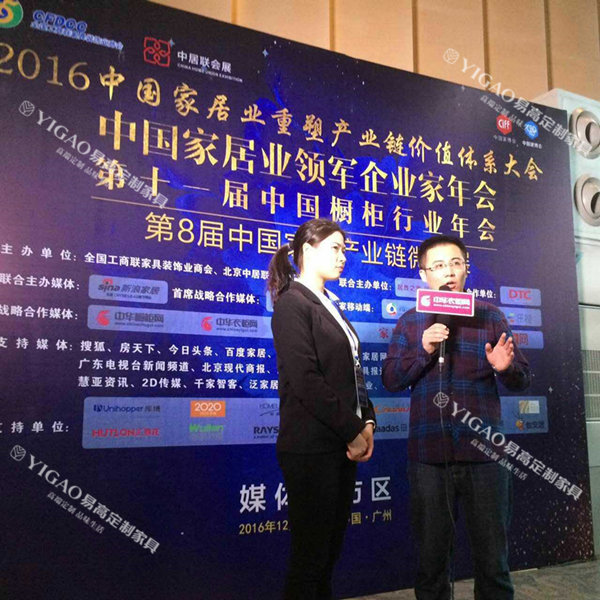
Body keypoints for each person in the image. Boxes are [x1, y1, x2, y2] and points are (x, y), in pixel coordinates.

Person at [382, 235, 530, 600]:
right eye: (438, 266)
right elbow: (390, 379)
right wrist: (423, 349)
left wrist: (505, 368)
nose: (448, 272)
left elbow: (522, 378)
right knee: (432, 564)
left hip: (486, 456)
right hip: (429, 458)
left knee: (493, 563)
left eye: (455, 263)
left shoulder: (491, 316)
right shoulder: (410, 322)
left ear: (466, 269)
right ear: (423, 274)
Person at [268, 218, 377, 600]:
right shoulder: (292, 304)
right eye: (335, 248)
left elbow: (353, 371)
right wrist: (352, 430)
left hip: (341, 445)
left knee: (328, 554)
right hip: (311, 448)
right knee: (310, 558)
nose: (343, 256)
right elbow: (306, 381)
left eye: (344, 249)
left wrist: (367, 422)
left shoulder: (330, 304)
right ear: (307, 250)